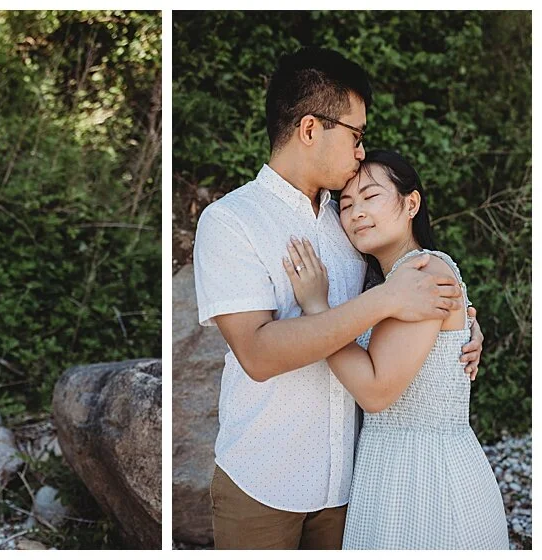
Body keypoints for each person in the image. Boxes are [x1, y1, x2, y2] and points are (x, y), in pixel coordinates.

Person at [192, 47, 484, 549]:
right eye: (356, 134)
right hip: (263, 480)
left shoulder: (349, 218)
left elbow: (407, 293)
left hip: (354, 482)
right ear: (310, 129)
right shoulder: (231, 221)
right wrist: (386, 301)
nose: (359, 152)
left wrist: (461, 325)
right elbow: (259, 355)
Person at [282, 150, 510, 549]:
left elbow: (375, 391)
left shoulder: (424, 271)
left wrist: (317, 309)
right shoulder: (386, 285)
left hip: (426, 476)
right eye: (347, 204)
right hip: (393, 465)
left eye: (371, 197)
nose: (356, 213)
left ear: (411, 203)